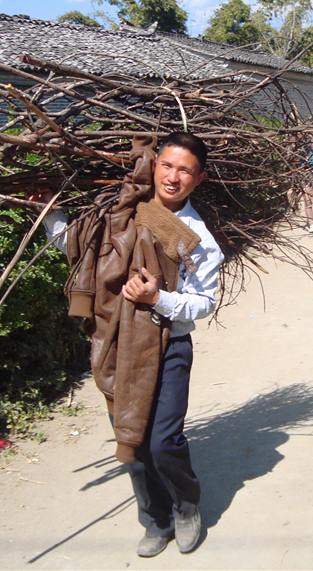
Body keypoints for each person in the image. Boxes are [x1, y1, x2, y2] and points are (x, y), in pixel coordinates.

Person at [37, 132, 223, 558]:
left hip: (170, 347)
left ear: (199, 178)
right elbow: (81, 249)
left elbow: (204, 302)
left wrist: (157, 298)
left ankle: (186, 505)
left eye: (185, 171)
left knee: (163, 441)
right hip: (119, 344)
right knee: (134, 443)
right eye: (167, 166)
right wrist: (49, 211)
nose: (173, 177)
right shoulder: (123, 211)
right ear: (154, 164)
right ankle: (155, 521)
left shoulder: (196, 237)